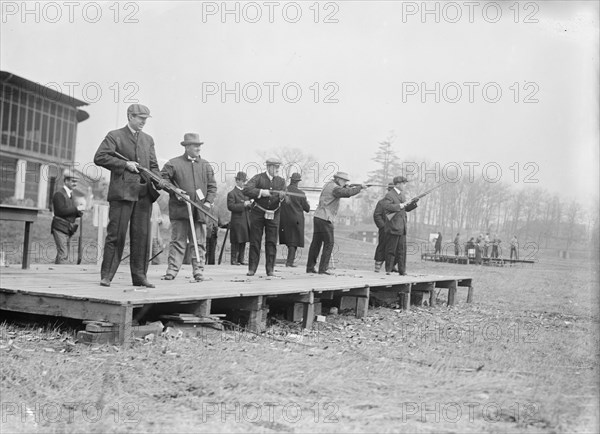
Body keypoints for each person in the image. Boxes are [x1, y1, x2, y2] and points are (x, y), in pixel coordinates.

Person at [94, 104, 167, 287]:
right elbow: (100, 157)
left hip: (143, 195)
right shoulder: (114, 135)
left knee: (141, 237)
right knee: (116, 235)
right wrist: (125, 164)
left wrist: (160, 181)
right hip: (122, 194)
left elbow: (153, 166)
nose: (143, 121)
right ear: (129, 116)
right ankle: (107, 276)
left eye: (145, 119)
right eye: (140, 118)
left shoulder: (148, 140)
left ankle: (140, 276)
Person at [160, 133, 217, 281]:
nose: (198, 148)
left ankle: (198, 270)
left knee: (199, 242)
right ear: (186, 147)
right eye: (195, 146)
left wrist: (207, 202)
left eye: (199, 145)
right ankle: (172, 270)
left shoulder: (206, 165)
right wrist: (174, 190)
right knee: (177, 241)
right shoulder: (173, 163)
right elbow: (161, 179)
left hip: (199, 211)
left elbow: (212, 186)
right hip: (180, 210)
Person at [306, 171, 364, 275]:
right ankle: (323, 269)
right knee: (329, 243)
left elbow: (342, 190)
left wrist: (348, 186)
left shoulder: (329, 185)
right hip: (325, 218)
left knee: (316, 243)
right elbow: (347, 193)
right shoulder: (335, 188)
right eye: (344, 181)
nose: (344, 182)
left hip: (318, 216)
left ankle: (310, 267)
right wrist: (360, 188)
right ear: (338, 179)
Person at [243, 158, 287, 276]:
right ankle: (252, 269)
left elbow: (287, 200)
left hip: (274, 214)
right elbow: (246, 189)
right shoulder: (258, 178)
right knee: (255, 241)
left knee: (272, 242)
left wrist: (282, 197)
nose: (277, 169)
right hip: (258, 213)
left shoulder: (281, 181)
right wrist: (261, 192)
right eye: (275, 167)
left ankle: (270, 270)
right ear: (268, 167)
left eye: (278, 167)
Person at [381, 176, 418, 275]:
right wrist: (399, 206)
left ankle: (402, 271)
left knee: (402, 251)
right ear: (397, 184)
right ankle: (388, 270)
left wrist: (414, 202)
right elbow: (386, 207)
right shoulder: (389, 195)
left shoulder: (402, 195)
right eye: (403, 183)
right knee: (391, 250)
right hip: (393, 226)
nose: (404, 185)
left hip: (402, 227)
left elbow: (406, 209)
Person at [50, 169, 84, 264]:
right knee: (63, 254)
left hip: (67, 228)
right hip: (59, 227)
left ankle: (55, 273)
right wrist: (76, 209)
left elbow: (69, 211)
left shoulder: (71, 194)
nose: (75, 184)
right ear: (66, 181)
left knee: (62, 253)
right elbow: (60, 211)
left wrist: (79, 213)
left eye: (76, 182)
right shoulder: (59, 194)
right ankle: (60, 276)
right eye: (73, 181)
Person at [279, 172, 311, 267]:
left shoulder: (284, 191)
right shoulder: (301, 194)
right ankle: (289, 262)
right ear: (298, 182)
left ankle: (289, 261)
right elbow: (307, 209)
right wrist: (307, 202)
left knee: (289, 240)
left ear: (291, 180)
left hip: (284, 219)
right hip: (297, 220)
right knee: (294, 241)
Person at [227, 172, 251, 265]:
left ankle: (241, 259)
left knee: (243, 240)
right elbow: (230, 206)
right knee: (236, 241)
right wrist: (243, 204)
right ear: (237, 181)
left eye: (245, 181)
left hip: (246, 221)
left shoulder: (246, 193)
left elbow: (250, 207)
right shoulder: (232, 193)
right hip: (237, 221)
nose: (244, 183)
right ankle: (234, 260)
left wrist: (250, 204)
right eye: (243, 181)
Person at [373, 183, 394, 272]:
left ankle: (391, 267)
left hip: (395, 229)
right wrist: (383, 227)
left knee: (393, 249)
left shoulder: (399, 203)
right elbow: (377, 215)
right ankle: (377, 267)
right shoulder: (381, 203)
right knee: (382, 247)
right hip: (384, 229)